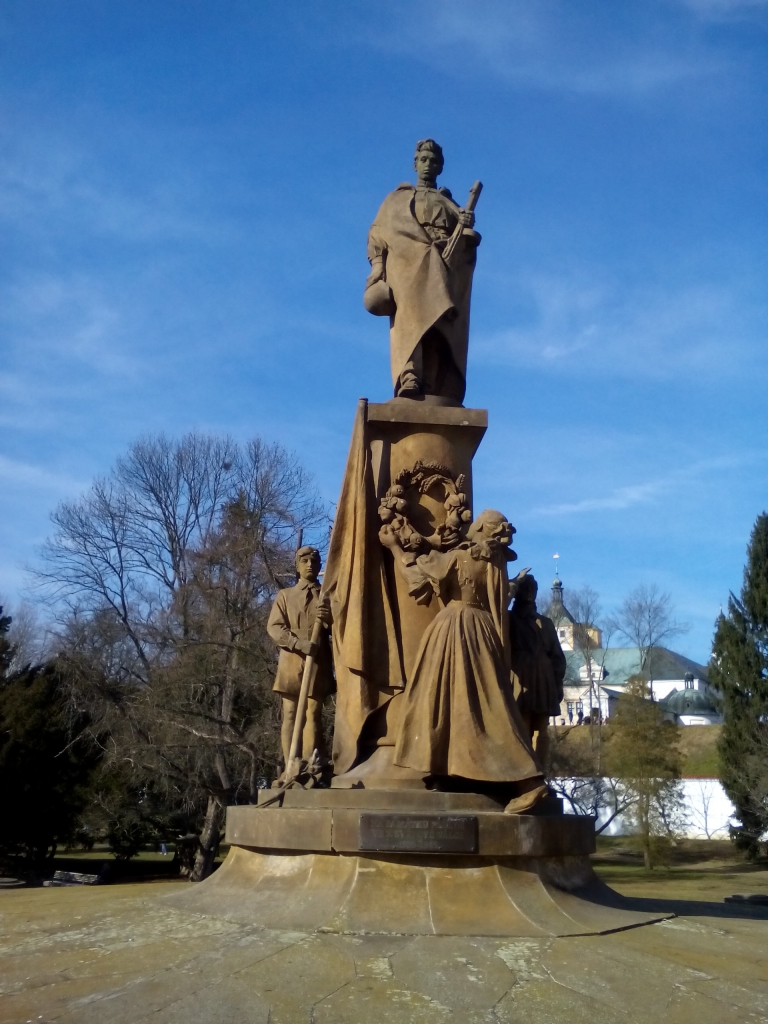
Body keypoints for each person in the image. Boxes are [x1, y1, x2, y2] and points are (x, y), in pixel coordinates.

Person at [380, 510, 547, 814]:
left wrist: (394, 547)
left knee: (442, 699)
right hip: (484, 630)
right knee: (473, 704)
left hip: (455, 628)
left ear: (479, 528)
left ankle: (528, 780)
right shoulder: (495, 564)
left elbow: (416, 579)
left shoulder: (459, 558)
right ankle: (449, 770)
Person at [364, 139, 481, 403]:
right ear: (415, 164)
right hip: (407, 267)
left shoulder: (448, 203)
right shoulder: (396, 200)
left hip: (443, 264)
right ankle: (409, 376)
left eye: (433, 161)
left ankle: (431, 382)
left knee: (437, 324)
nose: (428, 165)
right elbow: (377, 235)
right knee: (410, 322)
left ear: (440, 167)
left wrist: (464, 224)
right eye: (424, 160)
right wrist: (378, 268)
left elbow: (462, 238)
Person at [266, 546, 334, 771]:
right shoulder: (285, 596)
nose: (309, 565)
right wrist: (297, 643)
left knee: (313, 712)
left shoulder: (326, 596)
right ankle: (291, 766)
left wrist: (331, 619)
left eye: (314, 561)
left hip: (318, 660)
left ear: (320, 565)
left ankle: (310, 764)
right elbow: (274, 627)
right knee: (290, 713)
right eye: (304, 561)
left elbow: (343, 630)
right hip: (292, 659)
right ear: (297, 566)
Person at [508, 575, 566, 769]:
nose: (530, 593)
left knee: (541, 728)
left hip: (543, 676)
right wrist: (510, 587)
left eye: (533, 589)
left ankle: (539, 770)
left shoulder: (546, 623)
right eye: (525, 589)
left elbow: (557, 656)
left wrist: (557, 684)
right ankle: (524, 771)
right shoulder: (509, 619)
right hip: (521, 674)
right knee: (522, 724)